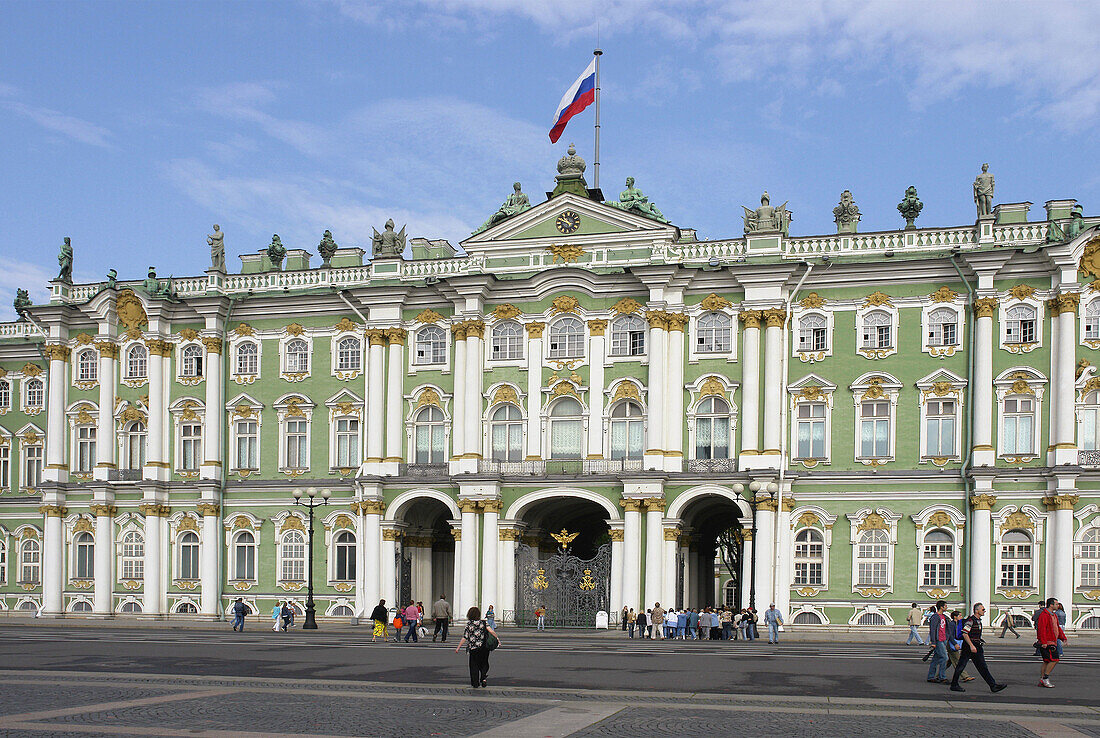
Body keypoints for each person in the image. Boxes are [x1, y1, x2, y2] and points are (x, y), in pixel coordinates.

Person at [949, 603, 1008, 693]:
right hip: (971, 647)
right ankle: (954, 685)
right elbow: (965, 633)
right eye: (983, 609)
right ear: (977, 611)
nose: (984, 611)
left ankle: (993, 685)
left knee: (980, 667)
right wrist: (971, 646)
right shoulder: (971, 621)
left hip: (975, 646)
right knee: (964, 666)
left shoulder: (978, 621)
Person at [455, 606, 501, 689]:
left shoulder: (469, 624)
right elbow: (491, 631)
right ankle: (483, 678)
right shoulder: (483, 623)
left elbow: (465, 637)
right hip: (483, 648)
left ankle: (475, 683)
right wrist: (497, 639)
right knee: (484, 663)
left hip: (473, 648)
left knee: (474, 665)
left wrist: (458, 647)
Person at [1036, 598, 1068, 688]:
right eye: (1056, 604)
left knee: (1046, 661)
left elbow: (1057, 627)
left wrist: (1063, 637)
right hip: (1048, 642)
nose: (1058, 606)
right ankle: (1045, 678)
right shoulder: (1045, 615)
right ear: (1051, 605)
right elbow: (1041, 629)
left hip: (1052, 641)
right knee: (1054, 660)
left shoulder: (1053, 615)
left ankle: (1042, 679)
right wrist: (1044, 641)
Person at [947, 610, 975, 683]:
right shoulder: (952, 624)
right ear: (955, 617)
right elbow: (950, 635)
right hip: (951, 644)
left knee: (948, 662)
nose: (961, 617)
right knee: (957, 660)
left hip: (954, 643)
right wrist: (955, 644)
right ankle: (965, 676)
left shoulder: (958, 623)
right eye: (959, 616)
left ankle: (939, 675)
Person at [926, 600, 950, 684]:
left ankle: (931, 676)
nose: (946, 607)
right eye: (945, 606)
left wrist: (947, 637)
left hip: (943, 639)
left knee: (936, 659)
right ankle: (942, 677)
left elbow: (946, 628)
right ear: (941, 607)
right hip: (938, 640)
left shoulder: (944, 616)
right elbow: (932, 630)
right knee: (944, 657)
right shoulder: (935, 617)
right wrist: (933, 642)